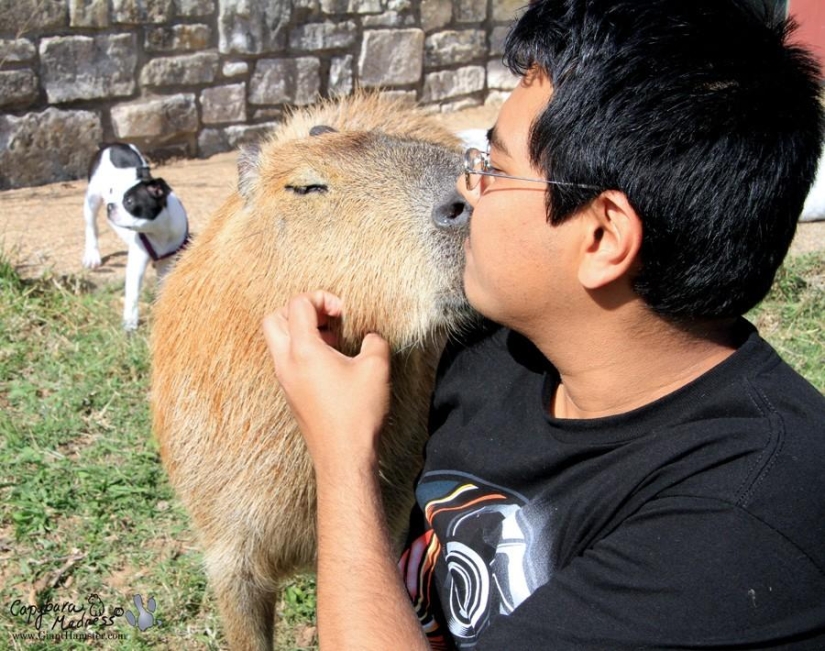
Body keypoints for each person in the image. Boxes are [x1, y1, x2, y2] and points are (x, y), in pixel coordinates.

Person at [262, 0, 825, 648]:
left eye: (494, 170)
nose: (468, 189)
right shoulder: (492, 345)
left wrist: (342, 454)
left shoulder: (741, 521)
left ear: (601, 236)